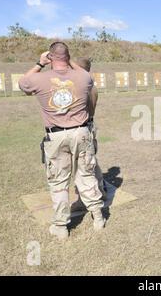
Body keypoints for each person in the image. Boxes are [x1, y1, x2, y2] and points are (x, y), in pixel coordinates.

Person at [19, 42, 105, 240]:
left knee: (59, 182)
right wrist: (68, 59)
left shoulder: (39, 78)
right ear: (68, 57)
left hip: (56, 135)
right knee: (86, 175)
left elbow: (23, 82)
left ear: (50, 57)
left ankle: (60, 226)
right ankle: (98, 217)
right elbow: (83, 72)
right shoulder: (83, 77)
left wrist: (40, 63)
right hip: (82, 132)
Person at [70, 57, 107, 213]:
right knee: (91, 162)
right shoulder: (91, 85)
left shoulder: (82, 86)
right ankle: (101, 190)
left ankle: (83, 200)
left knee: (82, 167)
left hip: (81, 128)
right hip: (89, 126)